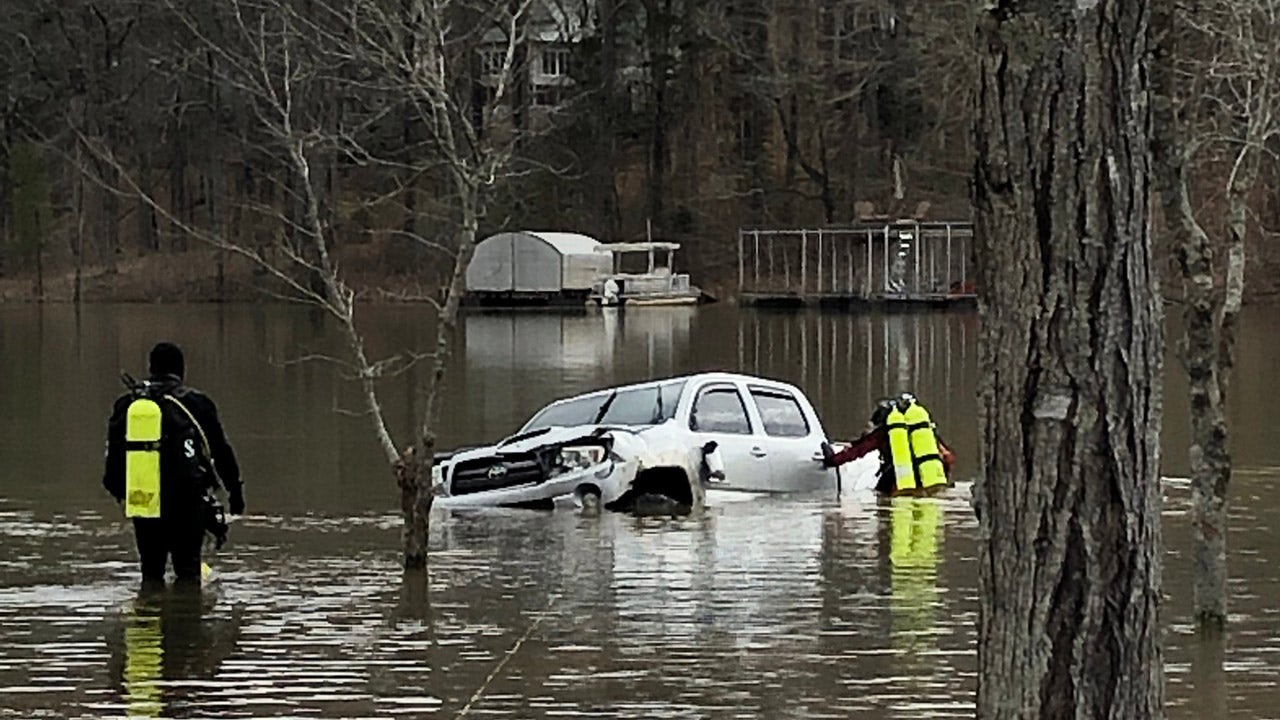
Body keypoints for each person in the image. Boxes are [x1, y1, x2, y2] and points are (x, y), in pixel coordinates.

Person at [103, 342, 243, 585]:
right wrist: (235, 491)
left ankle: (149, 607)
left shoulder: (128, 404)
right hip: (187, 501)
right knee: (188, 573)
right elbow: (220, 450)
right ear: (181, 370)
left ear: (151, 368)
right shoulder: (196, 402)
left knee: (151, 574)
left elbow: (114, 458)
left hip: (145, 500)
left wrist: (122, 494)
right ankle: (187, 608)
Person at [822, 393, 955, 495]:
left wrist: (831, 460)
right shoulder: (924, 430)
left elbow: (858, 450)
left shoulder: (885, 432)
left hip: (897, 480)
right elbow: (948, 457)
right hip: (927, 481)